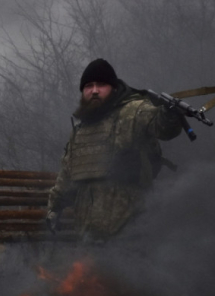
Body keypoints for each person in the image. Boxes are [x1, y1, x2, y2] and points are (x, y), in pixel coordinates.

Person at [46, 58, 183, 240]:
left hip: (132, 228)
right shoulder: (81, 130)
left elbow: (163, 127)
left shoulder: (134, 111)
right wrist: (54, 209)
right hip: (88, 231)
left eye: (101, 84)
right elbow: (67, 173)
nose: (94, 90)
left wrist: (169, 113)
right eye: (89, 86)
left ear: (113, 88)